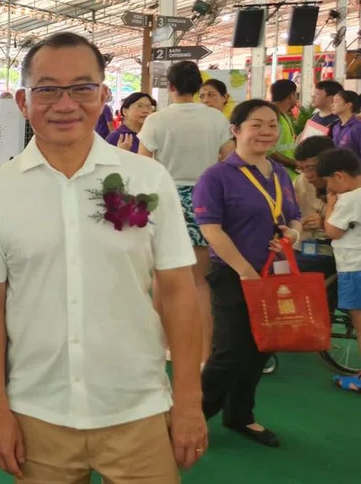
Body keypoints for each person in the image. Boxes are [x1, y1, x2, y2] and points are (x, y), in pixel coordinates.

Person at [0, 32, 206, 482]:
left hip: (137, 407)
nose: (65, 104)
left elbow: (178, 291)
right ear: (23, 101)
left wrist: (189, 399)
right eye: (48, 90)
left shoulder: (147, 180)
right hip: (38, 412)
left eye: (81, 88)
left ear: (102, 95)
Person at [193, 100, 302, 448]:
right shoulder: (216, 177)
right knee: (229, 352)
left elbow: (293, 217)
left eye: (272, 125)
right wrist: (244, 270)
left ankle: (240, 415)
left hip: (273, 275)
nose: (266, 132)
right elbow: (211, 229)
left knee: (261, 348)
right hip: (233, 275)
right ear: (235, 130)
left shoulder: (279, 173)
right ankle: (191, 421)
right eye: (256, 124)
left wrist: (292, 235)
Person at [138, 60, 234, 365]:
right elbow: (230, 158)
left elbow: (143, 163)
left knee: (161, 278)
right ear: (197, 87)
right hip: (205, 199)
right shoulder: (216, 119)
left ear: (171, 85)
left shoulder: (156, 119)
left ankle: (159, 348)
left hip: (165, 198)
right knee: (201, 282)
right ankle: (204, 354)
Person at [318, 147, 361, 390]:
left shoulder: (350, 199)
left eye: (328, 182)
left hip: (354, 266)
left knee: (360, 322)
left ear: (339, 176)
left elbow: (332, 231)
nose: (329, 188)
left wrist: (331, 206)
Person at [293, 136, 337, 279]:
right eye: (302, 169)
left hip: (336, 255)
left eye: (311, 168)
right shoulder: (300, 182)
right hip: (301, 251)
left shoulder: (349, 187)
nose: (307, 175)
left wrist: (325, 223)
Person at [269, 79, 299, 179]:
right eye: (296, 95)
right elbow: (268, 151)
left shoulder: (283, 114)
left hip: (287, 175)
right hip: (278, 176)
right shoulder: (273, 116)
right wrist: (293, 163)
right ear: (291, 95)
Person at [330, 89, 361, 159]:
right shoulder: (335, 127)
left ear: (348, 105)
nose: (332, 105)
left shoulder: (358, 128)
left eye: (336, 101)